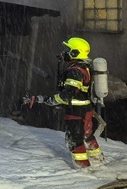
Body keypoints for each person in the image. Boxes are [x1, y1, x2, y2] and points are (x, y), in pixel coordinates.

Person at [24, 37, 104, 168]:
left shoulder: (75, 71)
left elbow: (67, 94)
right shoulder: (84, 66)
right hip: (86, 109)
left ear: (75, 53)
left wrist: (49, 100)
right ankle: (97, 161)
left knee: (75, 140)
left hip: (77, 112)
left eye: (68, 50)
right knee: (87, 135)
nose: (64, 52)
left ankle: (83, 168)